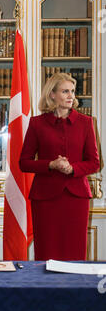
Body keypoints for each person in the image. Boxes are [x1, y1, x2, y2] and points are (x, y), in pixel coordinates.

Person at [19, 72, 100, 261]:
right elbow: (24, 162)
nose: (71, 96)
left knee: (74, 250)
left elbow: (94, 162)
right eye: (65, 91)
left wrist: (73, 169)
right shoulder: (37, 123)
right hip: (45, 198)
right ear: (52, 94)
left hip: (76, 197)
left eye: (72, 91)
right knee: (47, 250)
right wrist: (51, 164)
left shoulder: (86, 123)